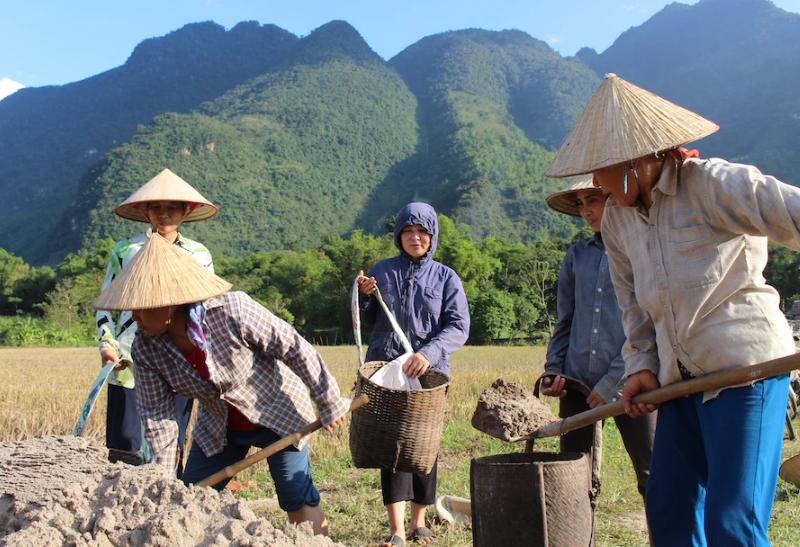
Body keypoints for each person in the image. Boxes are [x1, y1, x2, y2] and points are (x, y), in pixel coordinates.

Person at [546, 73, 798, 546]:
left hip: (745, 372)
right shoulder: (619, 220)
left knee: (732, 522)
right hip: (678, 381)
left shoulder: (715, 185)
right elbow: (633, 306)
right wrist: (640, 366)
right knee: (669, 509)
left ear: (639, 158)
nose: (595, 184)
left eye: (601, 170)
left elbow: (792, 212)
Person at [93, 233, 349, 536]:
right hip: (219, 426)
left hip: (279, 412)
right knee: (191, 496)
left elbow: (295, 348)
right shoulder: (146, 349)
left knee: (296, 498)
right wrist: (163, 485)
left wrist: (328, 400)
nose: (133, 317)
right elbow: (159, 420)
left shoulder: (232, 311)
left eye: (141, 307)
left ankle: (314, 542)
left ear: (170, 303)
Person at [357, 202, 470, 547]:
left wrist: (428, 353)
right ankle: (397, 530)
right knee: (391, 449)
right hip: (387, 372)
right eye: (408, 231)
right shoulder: (383, 271)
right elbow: (366, 319)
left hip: (428, 374)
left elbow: (458, 325)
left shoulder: (446, 277)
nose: (415, 237)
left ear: (432, 236)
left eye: (422, 232)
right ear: (398, 236)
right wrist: (364, 298)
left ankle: (419, 522)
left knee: (424, 447)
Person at [541, 175, 655, 509]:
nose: (586, 212)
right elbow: (566, 320)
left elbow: (648, 321)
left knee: (653, 475)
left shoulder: (642, 248)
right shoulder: (577, 255)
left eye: (593, 201)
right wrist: (554, 369)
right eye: (580, 204)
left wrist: (613, 381)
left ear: (615, 199)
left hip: (634, 378)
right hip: (577, 382)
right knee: (573, 478)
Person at [96, 168, 217, 470]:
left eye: (172, 208)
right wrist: (106, 345)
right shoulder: (126, 252)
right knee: (125, 445)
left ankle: (166, 506)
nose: (164, 215)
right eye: (157, 208)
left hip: (180, 360)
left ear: (185, 211)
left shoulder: (198, 255)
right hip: (127, 357)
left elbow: (209, 310)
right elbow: (106, 305)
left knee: (170, 441)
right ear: (145, 211)